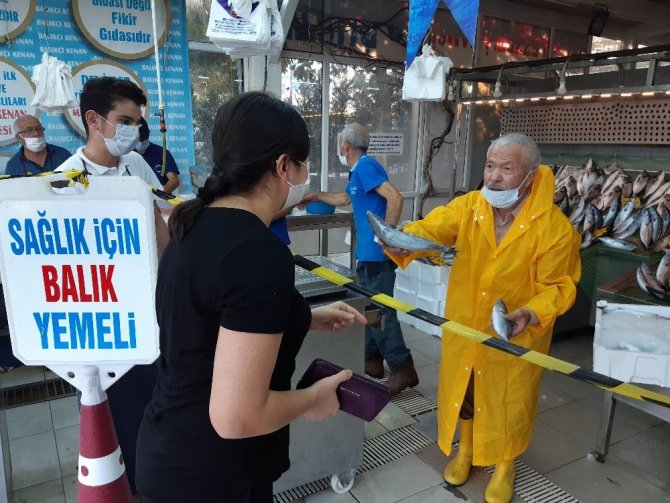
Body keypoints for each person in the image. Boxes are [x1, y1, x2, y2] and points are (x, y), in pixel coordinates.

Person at [135, 92, 367, 502]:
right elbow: (237, 417)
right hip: (215, 476)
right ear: (283, 166)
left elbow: (210, 322)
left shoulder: (192, 226)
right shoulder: (257, 253)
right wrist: (314, 399)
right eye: (303, 165)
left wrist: (304, 317)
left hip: (170, 450)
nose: (304, 176)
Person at [384, 133, 581, 503]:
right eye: (490, 166)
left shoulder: (555, 229)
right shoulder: (470, 206)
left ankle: (506, 464)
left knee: (509, 400)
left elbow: (559, 287)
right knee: (466, 390)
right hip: (466, 324)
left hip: (516, 332)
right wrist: (404, 237)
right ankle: (467, 451)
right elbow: (435, 226)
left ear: (531, 176)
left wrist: (531, 313)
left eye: (506, 169)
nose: (494, 176)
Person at [56, 76, 169, 496]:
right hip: (102, 321)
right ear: (93, 119)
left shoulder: (135, 166)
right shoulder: (66, 180)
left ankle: (153, 479)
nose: (133, 132)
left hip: (147, 312)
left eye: (137, 123)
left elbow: (162, 227)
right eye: (124, 121)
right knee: (114, 412)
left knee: (154, 401)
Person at [302, 123, 419, 395]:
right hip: (368, 254)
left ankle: (402, 368)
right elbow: (345, 198)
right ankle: (372, 360)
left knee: (380, 311)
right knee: (369, 308)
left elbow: (395, 198)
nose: (339, 150)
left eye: (339, 146)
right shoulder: (358, 171)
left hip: (376, 255)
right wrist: (315, 196)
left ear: (345, 146)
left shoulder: (365, 167)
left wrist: (387, 236)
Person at [5, 115, 71, 175]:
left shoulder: (63, 154)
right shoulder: (13, 166)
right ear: (19, 138)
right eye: (29, 130)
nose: (36, 133)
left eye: (39, 129)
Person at [135, 117, 181, 193]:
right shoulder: (126, 154)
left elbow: (174, 180)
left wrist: (158, 195)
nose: (141, 144)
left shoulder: (162, 153)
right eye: (138, 141)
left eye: (144, 140)